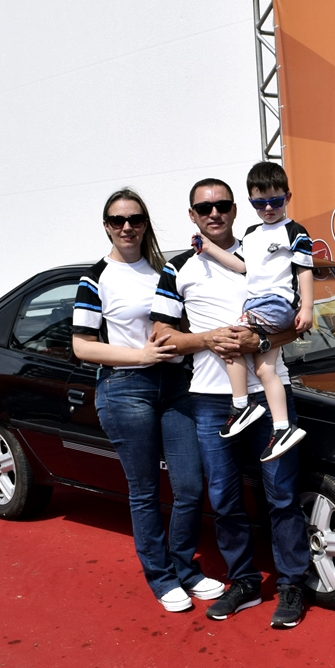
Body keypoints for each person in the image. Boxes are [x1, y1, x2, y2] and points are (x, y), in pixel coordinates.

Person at [151, 177, 313, 630]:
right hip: (210, 400)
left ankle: (292, 585)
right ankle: (243, 581)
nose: (214, 214)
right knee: (223, 498)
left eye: (222, 205)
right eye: (205, 209)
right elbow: (161, 336)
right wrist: (208, 339)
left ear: (235, 209)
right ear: (192, 215)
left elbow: (296, 321)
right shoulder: (178, 267)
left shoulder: (262, 250)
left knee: (282, 495)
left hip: (269, 391)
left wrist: (258, 340)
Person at [70, 188, 223, 614]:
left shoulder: (163, 271)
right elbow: (82, 345)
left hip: (174, 384)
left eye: (135, 219)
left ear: (145, 224)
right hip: (126, 388)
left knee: (190, 485)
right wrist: (140, 356)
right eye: (118, 220)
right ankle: (161, 576)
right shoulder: (95, 278)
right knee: (145, 491)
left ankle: (184, 567)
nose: (127, 227)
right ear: (106, 226)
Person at [191, 160, 314, 461]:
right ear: (250, 202)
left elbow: (305, 269)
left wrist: (307, 307)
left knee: (230, 341)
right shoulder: (251, 234)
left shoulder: (294, 231)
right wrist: (209, 248)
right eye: (260, 203)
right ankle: (283, 428)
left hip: (276, 305)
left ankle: (242, 404)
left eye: (275, 201)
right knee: (264, 369)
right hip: (259, 306)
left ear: (288, 197)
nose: (268, 208)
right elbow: (242, 266)